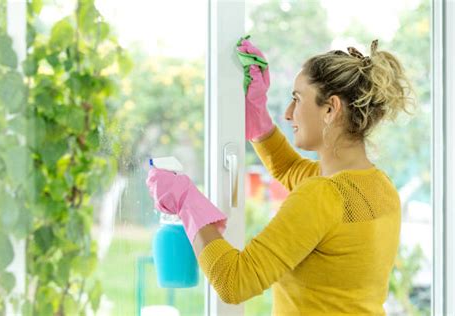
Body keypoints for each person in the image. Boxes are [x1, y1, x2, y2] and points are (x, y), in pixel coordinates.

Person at [146, 38, 415, 315]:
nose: (287, 114)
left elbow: (234, 282)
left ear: (330, 109)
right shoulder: (378, 185)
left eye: (297, 99)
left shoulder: (322, 195)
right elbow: (290, 170)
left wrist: (187, 202)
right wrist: (260, 124)